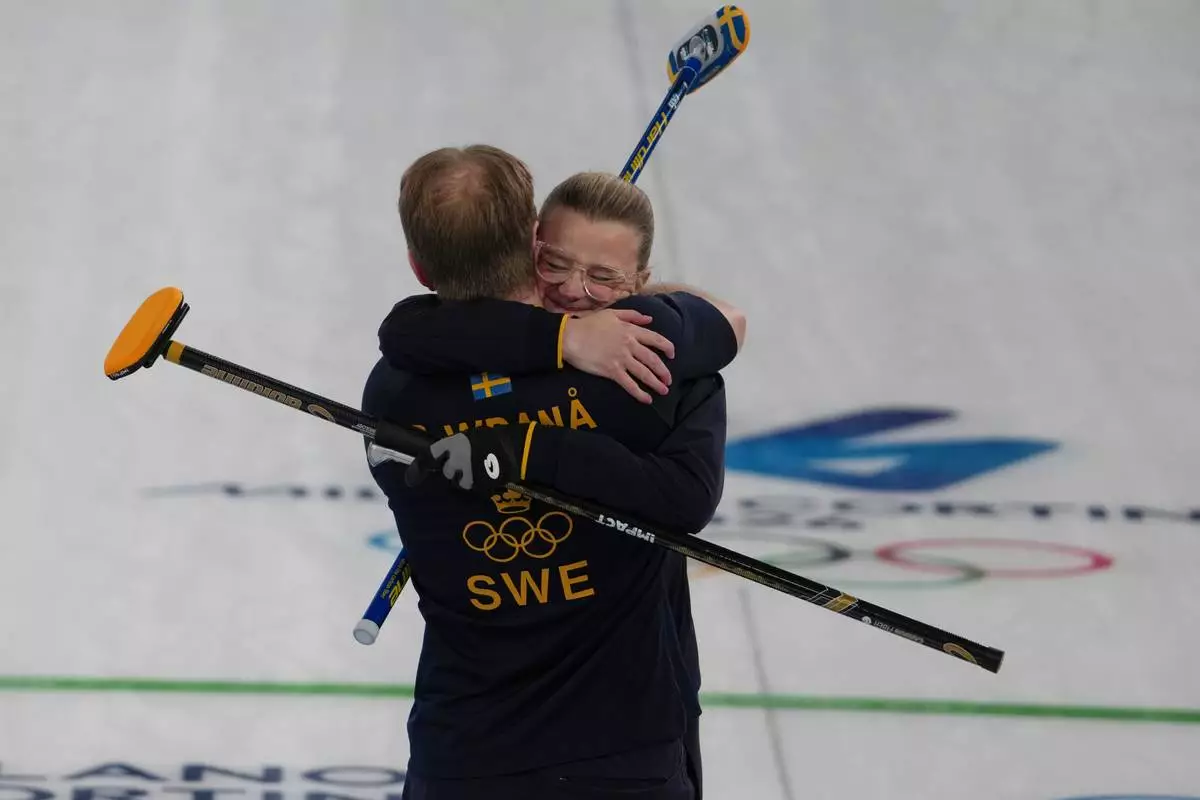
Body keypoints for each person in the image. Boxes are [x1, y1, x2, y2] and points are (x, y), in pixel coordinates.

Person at [361, 146, 742, 799]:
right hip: (627, 756)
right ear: (535, 241)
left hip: (464, 760)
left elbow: (407, 332)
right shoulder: (650, 361)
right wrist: (605, 311)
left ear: (417, 265)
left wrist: (556, 346)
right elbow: (725, 322)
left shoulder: (393, 392)